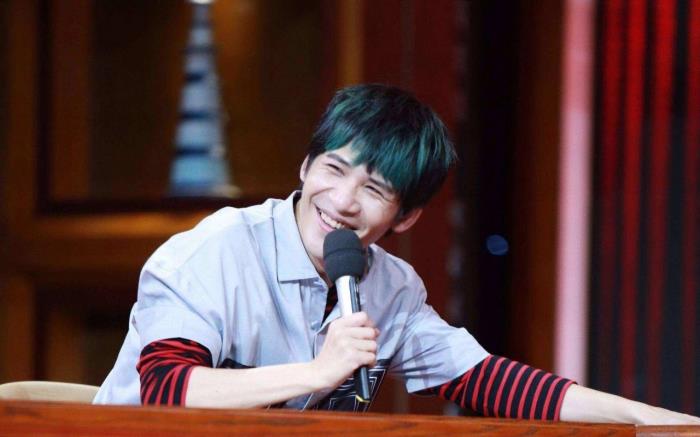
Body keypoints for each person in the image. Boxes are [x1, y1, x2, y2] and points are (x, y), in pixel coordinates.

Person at [94, 84, 700, 424]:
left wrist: (656, 421)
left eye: (375, 190)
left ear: (405, 217)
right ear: (305, 167)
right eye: (334, 169)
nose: (343, 201)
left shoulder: (391, 287)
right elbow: (167, 389)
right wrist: (319, 372)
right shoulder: (214, 251)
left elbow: (489, 382)